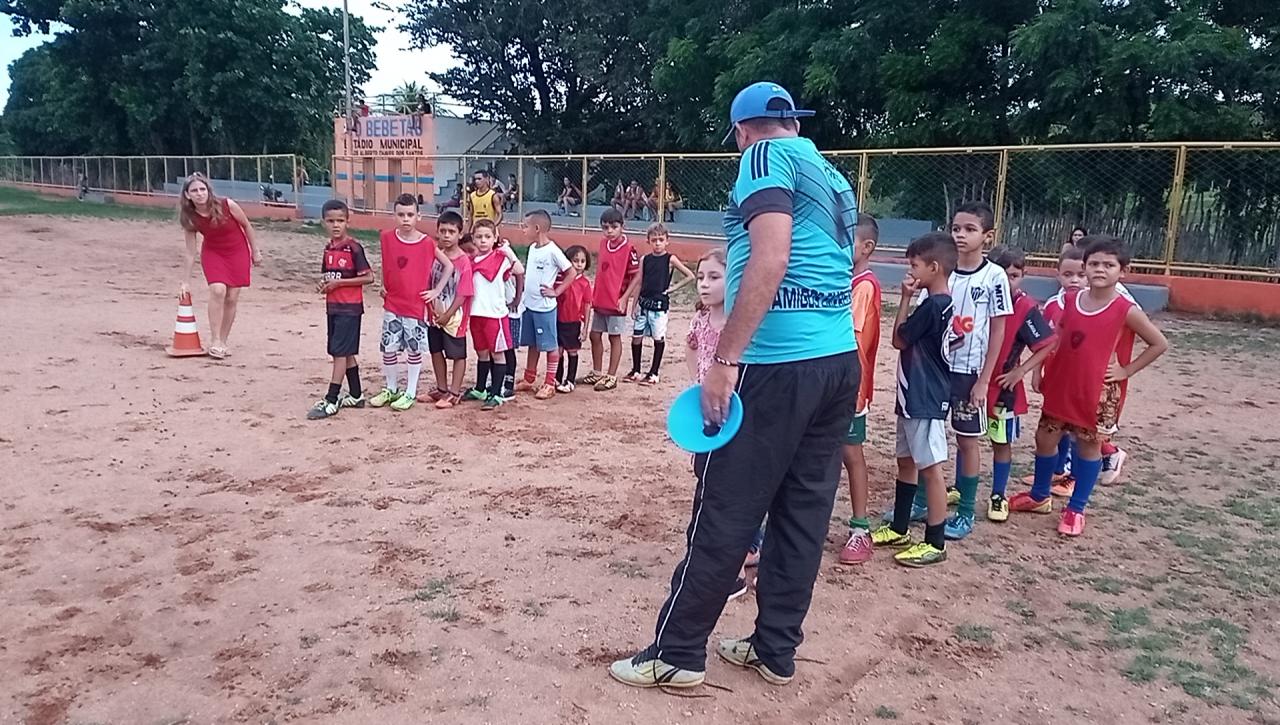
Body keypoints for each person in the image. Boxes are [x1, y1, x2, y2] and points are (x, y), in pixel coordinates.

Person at [610, 81, 859, 690]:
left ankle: (678, 652)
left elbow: (771, 257)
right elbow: (840, 264)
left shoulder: (762, 157)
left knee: (725, 505)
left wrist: (726, 357)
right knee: (802, 513)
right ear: (792, 122)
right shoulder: (831, 173)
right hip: (836, 358)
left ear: (743, 130)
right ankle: (774, 649)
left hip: (779, 365)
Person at [1010, 236, 1169, 536]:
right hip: (1061, 385)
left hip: (1097, 393)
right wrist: (1037, 371)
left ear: (1122, 271)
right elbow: (1053, 340)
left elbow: (1159, 343)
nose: (1100, 270)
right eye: (1094, 264)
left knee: (1088, 447)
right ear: (1085, 267)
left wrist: (1126, 370)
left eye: (1108, 265)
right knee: (1045, 439)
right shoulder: (1069, 301)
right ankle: (1040, 495)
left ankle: (1076, 508)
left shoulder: (1125, 309)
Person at [906, 201, 1013, 542]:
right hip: (936, 371)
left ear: (987, 236)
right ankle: (922, 502)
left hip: (969, 373)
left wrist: (984, 380)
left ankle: (965, 511)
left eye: (969, 229)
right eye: (956, 228)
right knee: (928, 440)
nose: (961, 235)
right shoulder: (941, 274)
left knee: (967, 441)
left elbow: (998, 331)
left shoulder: (994, 277)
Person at [869, 232, 957, 567]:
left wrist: (904, 299)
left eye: (914, 265)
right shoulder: (938, 304)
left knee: (930, 469)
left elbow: (898, 339)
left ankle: (935, 541)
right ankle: (900, 527)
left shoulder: (934, 305)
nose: (911, 272)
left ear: (934, 268)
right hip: (913, 394)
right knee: (906, 462)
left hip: (924, 396)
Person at [982, 246, 1056, 521]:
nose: (1007, 281)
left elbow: (1047, 343)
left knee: (1000, 442)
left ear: (1023, 276)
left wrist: (1020, 371)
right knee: (966, 438)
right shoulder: (979, 298)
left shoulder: (1025, 307)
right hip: (973, 381)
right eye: (1001, 274)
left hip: (1003, 388)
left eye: (1014, 275)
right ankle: (959, 487)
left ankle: (998, 496)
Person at [368, 194, 453, 412]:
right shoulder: (386, 237)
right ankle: (391, 388)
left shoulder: (426, 242)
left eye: (410, 215)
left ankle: (410, 391)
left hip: (415, 306)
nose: (405, 219)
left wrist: (436, 290)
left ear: (418, 216)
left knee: (413, 350)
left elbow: (449, 266)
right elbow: (387, 263)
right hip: (392, 303)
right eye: (401, 215)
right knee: (389, 348)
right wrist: (384, 283)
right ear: (394, 216)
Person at [838, 213, 883, 565]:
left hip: (850, 385)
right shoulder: (845, 279)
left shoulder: (863, 286)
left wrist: (850, 387)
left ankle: (860, 528)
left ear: (866, 247)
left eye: (847, 238)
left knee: (851, 454)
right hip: (835, 382)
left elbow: (852, 340)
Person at [178, 173, 262, 360]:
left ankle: (223, 341)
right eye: (194, 191)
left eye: (202, 189)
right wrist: (185, 281)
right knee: (217, 290)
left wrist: (255, 251)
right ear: (187, 195)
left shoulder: (227, 205)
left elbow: (247, 226)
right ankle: (215, 340)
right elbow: (190, 252)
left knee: (232, 297)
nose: (199, 194)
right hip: (213, 253)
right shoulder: (190, 218)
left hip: (237, 251)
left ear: (208, 191)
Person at [307, 200, 373, 420]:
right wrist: (325, 285)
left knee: (339, 353)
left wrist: (340, 285)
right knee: (346, 352)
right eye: (331, 221)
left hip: (349, 309)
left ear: (347, 221)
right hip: (333, 306)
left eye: (340, 221)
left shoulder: (353, 248)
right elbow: (330, 276)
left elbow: (368, 277)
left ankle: (332, 398)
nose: (336, 225)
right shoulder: (328, 248)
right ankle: (355, 394)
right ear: (323, 222)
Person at [514, 210, 574, 399]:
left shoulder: (553, 251)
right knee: (532, 343)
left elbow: (571, 272)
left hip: (544, 307)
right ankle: (529, 378)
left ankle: (550, 383)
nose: (523, 230)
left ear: (537, 228)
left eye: (526, 226)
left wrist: (556, 291)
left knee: (549, 345)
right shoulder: (533, 248)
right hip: (529, 306)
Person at [627, 223, 695, 385]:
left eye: (661, 240)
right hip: (643, 304)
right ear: (648, 241)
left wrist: (671, 289)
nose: (657, 243)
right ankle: (636, 370)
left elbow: (690, 275)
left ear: (667, 241)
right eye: (654, 240)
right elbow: (639, 282)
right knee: (636, 337)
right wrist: (634, 304)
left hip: (659, 306)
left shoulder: (670, 259)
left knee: (658, 337)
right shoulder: (645, 259)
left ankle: (654, 372)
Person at [581, 208, 640, 392]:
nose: (610, 231)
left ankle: (611, 376)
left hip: (616, 301)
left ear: (622, 227)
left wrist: (625, 298)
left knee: (614, 337)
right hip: (600, 298)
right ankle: (597, 372)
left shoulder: (629, 249)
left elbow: (636, 276)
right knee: (594, 335)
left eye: (614, 227)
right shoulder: (602, 244)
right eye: (605, 227)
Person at [468, 220, 525, 410]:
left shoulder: (500, 259)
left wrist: (507, 250)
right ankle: (480, 388)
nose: (483, 240)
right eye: (479, 237)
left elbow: (519, 270)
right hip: (476, 314)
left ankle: (496, 393)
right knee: (482, 353)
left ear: (495, 238)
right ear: (473, 238)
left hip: (495, 315)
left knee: (498, 354)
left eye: (487, 237)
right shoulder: (472, 261)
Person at [425, 211, 474, 409]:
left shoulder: (463, 262)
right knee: (436, 350)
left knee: (457, 354)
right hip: (434, 314)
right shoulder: (435, 255)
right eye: (442, 231)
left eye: (451, 231)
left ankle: (454, 393)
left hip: (454, 317)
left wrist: (448, 314)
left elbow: (463, 294)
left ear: (459, 234)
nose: (446, 235)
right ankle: (442, 389)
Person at [554, 245, 592, 393]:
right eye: (575, 260)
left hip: (573, 323)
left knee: (572, 351)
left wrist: (585, 329)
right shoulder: (560, 279)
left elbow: (588, 306)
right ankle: (557, 378)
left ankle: (570, 381)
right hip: (558, 320)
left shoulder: (585, 283)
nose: (579, 264)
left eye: (582, 261)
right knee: (558, 351)